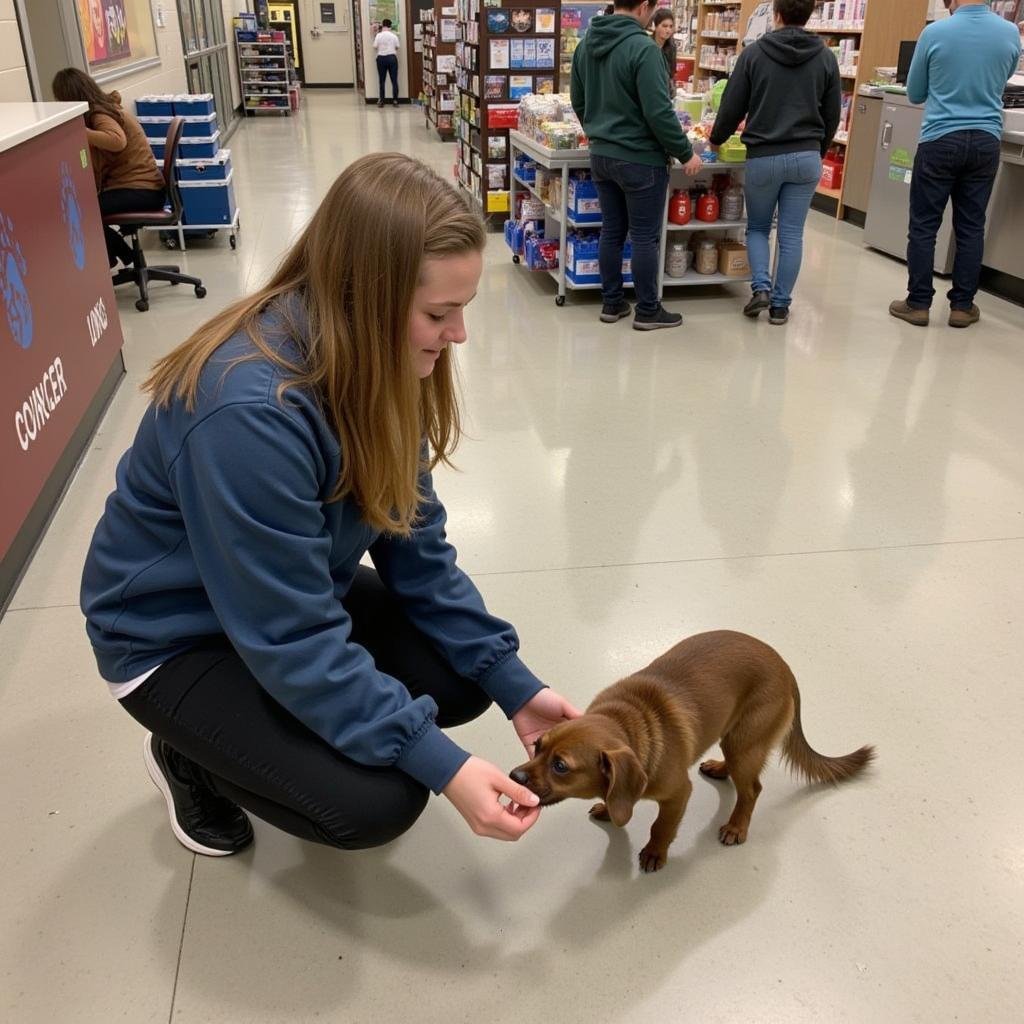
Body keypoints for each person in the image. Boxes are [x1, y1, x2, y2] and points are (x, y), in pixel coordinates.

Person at [80, 153, 580, 858]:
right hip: (176, 636)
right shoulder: (246, 413)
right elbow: (289, 635)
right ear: (367, 299)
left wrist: (515, 684)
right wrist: (440, 766)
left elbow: (417, 547)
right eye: (440, 313)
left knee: (460, 677)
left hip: (280, 595)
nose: (458, 335)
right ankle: (189, 758)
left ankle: (260, 731)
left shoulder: (381, 362)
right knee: (378, 802)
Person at [571, 0, 703, 332]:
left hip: (601, 156)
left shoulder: (587, 44)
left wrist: (598, 133)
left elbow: (578, 98)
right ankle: (647, 309)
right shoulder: (644, 50)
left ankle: (612, 303)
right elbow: (658, 112)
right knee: (645, 237)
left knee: (612, 231)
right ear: (645, 6)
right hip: (641, 159)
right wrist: (686, 153)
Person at [889, 0, 1020, 329]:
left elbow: (916, 93)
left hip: (940, 139)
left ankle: (918, 303)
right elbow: (1001, 81)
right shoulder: (1009, 33)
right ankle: (962, 306)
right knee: (972, 226)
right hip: (986, 141)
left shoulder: (934, 32)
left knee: (924, 225)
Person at [709, 0, 840, 326]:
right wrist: (817, 150)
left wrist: (716, 138)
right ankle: (781, 306)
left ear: (776, 14)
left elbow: (732, 106)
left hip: (764, 157)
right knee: (792, 234)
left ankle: (761, 289)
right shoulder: (826, 56)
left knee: (757, 228)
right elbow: (833, 114)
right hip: (807, 156)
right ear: (809, 15)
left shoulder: (754, 54)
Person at [52, 67, 165, 269]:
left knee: (82, 212)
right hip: (144, 186)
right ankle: (120, 256)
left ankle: (122, 255)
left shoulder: (99, 115)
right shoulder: (105, 107)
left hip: (141, 190)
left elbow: (116, 140)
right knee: (86, 207)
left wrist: (78, 131)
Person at [373, 19, 401, 108]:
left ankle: (381, 101)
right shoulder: (394, 36)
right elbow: (397, 47)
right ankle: (395, 100)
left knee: (382, 81)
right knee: (394, 80)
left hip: (381, 58)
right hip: (392, 58)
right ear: (390, 26)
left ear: (382, 25)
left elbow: (375, 46)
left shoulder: (378, 35)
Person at [650, 8, 678, 96]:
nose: (668, 30)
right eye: (664, 26)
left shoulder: (672, 48)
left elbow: (671, 74)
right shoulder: (648, 46)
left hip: (666, 94)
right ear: (655, 26)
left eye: (671, 26)